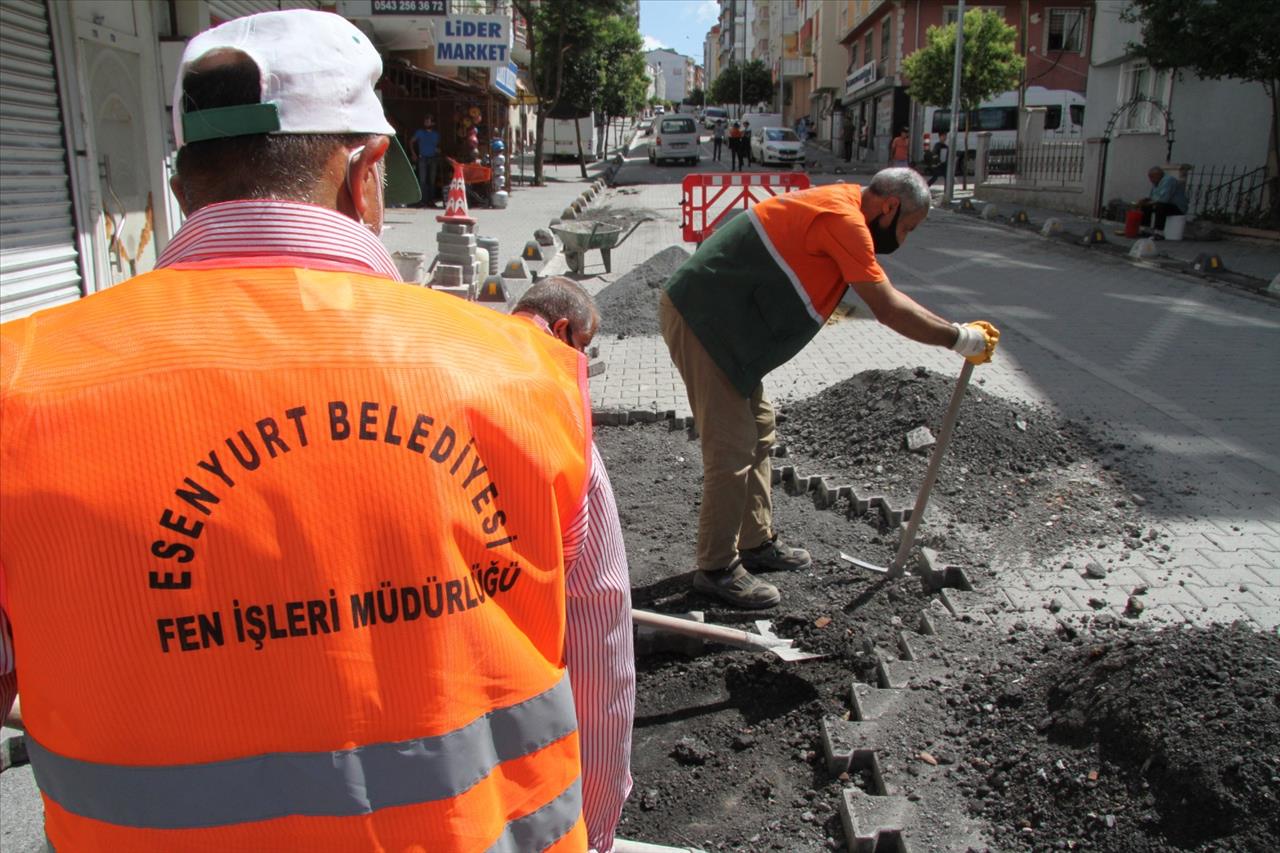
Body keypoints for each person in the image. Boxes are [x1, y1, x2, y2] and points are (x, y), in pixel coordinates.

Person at [0, 10, 634, 852]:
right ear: (366, 173)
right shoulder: (519, 374)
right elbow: (599, 656)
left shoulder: (21, 387)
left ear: (183, 184)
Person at [658, 168, 1000, 608]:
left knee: (759, 430)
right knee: (731, 448)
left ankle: (756, 543)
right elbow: (887, 306)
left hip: (729, 325)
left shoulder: (842, 205)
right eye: (908, 228)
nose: (905, 240)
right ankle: (716, 569)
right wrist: (958, 337)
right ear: (890, 206)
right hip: (703, 318)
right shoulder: (844, 220)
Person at [513, 276, 601, 354]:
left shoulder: (500, 324)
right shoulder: (540, 367)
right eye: (582, 345)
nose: (582, 355)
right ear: (559, 330)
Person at [1136, 165, 1188, 235]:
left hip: (1178, 207)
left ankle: (1159, 232)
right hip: (1167, 205)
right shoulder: (1156, 183)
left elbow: (1163, 199)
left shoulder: (1169, 180)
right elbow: (1153, 197)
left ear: (1159, 175)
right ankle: (1145, 229)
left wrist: (1150, 202)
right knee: (1145, 206)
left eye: (1152, 177)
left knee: (1160, 206)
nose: (1150, 180)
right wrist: (1145, 200)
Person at [411, 114, 441, 207]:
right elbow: (411, 142)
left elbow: (437, 146)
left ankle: (430, 201)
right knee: (422, 180)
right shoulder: (420, 132)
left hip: (433, 158)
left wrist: (438, 150)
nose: (426, 123)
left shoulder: (436, 134)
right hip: (422, 158)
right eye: (425, 121)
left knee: (432, 180)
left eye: (428, 121)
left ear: (433, 123)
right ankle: (422, 201)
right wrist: (414, 154)